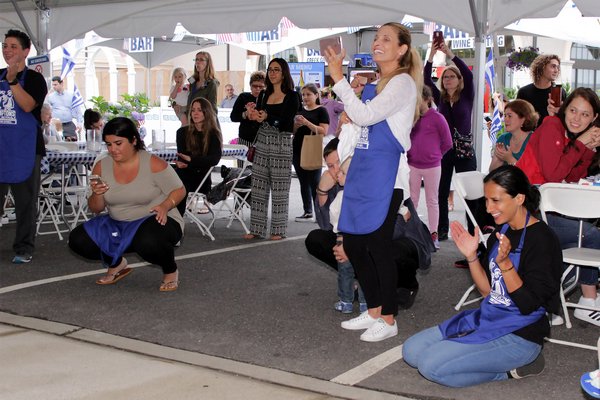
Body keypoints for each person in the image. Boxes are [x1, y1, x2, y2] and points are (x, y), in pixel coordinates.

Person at [403, 165, 562, 388]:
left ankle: (512, 370)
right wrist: (472, 257)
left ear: (519, 198)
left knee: (430, 366)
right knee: (411, 352)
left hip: (520, 336)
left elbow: (528, 304)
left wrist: (506, 265)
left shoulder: (543, 241)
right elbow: (489, 291)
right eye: (486, 200)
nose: (489, 208)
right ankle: (468, 354)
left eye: (495, 200)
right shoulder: (501, 232)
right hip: (489, 318)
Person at [323, 22, 422, 342]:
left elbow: (366, 117)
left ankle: (389, 317)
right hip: (364, 171)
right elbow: (361, 124)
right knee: (353, 242)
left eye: (386, 39)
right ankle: (375, 309)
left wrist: (338, 79)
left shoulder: (403, 83)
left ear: (402, 49)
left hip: (386, 175)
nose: (378, 42)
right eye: (376, 38)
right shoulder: (378, 83)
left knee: (378, 245)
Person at [306, 138, 434, 313]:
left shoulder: (378, 179)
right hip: (362, 240)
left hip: (404, 240)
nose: (335, 171)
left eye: (338, 163)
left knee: (385, 250)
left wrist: (350, 246)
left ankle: (406, 285)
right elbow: (327, 226)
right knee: (316, 239)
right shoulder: (339, 182)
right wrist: (322, 191)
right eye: (330, 166)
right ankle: (366, 283)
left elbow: (393, 230)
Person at [68, 117, 186, 291]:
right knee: (78, 240)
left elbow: (180, 190)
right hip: (118, 223)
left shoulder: (152, 162)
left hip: (154, 219)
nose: (113, 149)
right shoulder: (101, 166)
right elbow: (96, 208)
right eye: (108, 145)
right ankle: (116, 264)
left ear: (133, 140)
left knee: (148, 241)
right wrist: (98, 194)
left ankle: (170, 270)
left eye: (118, 143)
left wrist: (165, 205)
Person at [517, 87, 600, 325]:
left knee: (581, 236)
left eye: (585, 115)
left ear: (594, 118)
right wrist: (581, 144)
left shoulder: (567, 136)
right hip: (526, 212)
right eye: (573, 110)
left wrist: (588, 149)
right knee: (591, 236)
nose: (577, 118)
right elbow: (553, 176)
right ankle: (587, 299)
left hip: (543, 210)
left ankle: (547, 299)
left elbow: (573, 177)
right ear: (565, 109)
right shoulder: (552, 125)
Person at [0, 29, 48, 264]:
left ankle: (23, 247)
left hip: (26, 149)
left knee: (25, 203)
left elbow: (28, 106)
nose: (7, 50)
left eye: (13, 46)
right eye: (5, 45)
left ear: (26, 51)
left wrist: (12, 81)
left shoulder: (36, 79)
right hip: (2, 147)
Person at [424, 38, 476, 243]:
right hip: (444, 150)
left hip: (464, 150)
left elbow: (469, 74)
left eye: (452, 76)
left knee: (471, 192)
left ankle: (474, 230)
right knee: (441, 190)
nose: (448, 79)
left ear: (459, 79)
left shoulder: (467, 96)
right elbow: (426, 79)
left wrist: (449, 53)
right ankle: (442, 229)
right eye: (445, 77)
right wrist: (431, 55)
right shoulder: (439, 98)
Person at [243, 58, 299, 240]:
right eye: (270, 70)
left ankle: (277, 230)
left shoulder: (292, 95)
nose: (272, 73)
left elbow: (287, 121)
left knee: (280, 189)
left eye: (276, 70)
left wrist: (267, 117)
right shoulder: (264, 95)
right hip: (262, 140)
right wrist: (254, 115)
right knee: (258, 186)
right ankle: (256, 228)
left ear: (284, 73)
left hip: (281, 143)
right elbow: (260, 117)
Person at [407, 85, 453, 249]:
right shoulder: (411, 118)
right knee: (412, 199)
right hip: (412, 164)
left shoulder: (438, 118)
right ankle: (412, 232)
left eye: (417, 100)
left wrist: (437, 155)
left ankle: (434, 234)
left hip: (432, 166)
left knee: (432, 200)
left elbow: (448, 142)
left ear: (427, 100)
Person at [174, 97, 223, 217]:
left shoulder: (213, 134)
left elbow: (214, 160)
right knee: (165, 173)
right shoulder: (181, 133)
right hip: (185, 172)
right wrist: (182, 162)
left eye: (199, 110)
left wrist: (191, 160)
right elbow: (182, 157)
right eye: (193, 110)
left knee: (178, 179)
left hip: (201, 178)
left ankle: (177, 217)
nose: (195, 113)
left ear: (206, 112)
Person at [293, 83, 329, 222]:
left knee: (315, 182)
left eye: (308, 94)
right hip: (297, 148)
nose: (305, 97)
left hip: (313, 148)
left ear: (316, 95)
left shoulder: (321, 111)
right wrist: (296, 125)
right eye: (303, 94)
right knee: (303, 182)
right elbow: (293, 131)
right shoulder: (299, 111)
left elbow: (323, 131)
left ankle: (319, 212)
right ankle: (307, 211)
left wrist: (307, 123)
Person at [488, 99, 538, 171]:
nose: (505, 119)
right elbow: (492, 172)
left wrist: (510, 159)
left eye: (510, 116)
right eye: (505, 115)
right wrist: (499, 157)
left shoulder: (534, 141)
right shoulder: (503, 139)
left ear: (523, 119)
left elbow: (531, 173)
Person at [516, 54, 565, 126]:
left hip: (550, 133)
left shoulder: (560, 92)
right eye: (553, 66)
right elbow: (517, 117)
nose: (556, 70)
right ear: (542, 67)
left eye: (558, 67)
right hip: (529, 135)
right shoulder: (524, 92)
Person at [230, 71, 266, 148]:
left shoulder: (268, 100)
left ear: (265, 87)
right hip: (245, 139)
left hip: (262, 141)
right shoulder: (243, 97)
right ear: (250, 86)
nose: (257, 89)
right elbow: (233, 117)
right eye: (255, 86)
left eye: (261, 87)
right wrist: (246, 113)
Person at [46, 76, 82, 141]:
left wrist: (79, 123)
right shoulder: (50, 97)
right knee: (57, 144)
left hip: (68, 124)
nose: (54, 86)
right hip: (56, 125)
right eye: (53, 85)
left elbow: (78, 110)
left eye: (55, 84)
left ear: (61, 83)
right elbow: (47, 110)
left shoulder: (71, 95)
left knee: (72, 143)